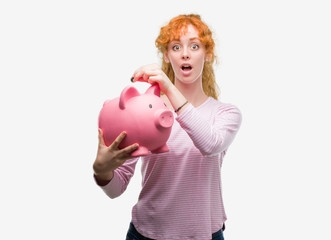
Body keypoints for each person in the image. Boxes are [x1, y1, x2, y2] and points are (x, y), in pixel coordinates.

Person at [93, 14, 242, 240]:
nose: (185, 53)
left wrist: (169, 87)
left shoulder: (226, 114)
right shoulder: (146, 112)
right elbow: (117, 188)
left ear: (208, 54)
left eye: (194, 46)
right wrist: (102, 171)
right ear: (167, 55)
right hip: (144, 234)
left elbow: (210, 144)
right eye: (175, 46)